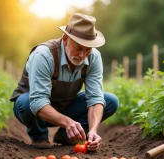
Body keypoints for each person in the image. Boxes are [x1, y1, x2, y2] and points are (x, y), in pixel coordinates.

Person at [10, 13, 119, 150]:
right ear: (66, 39)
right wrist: (68, 122)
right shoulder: (44, 55)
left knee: (109, 101)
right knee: (26, 102)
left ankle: (66, 136)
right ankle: (39, 136)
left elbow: (95, 98)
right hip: (34, 111)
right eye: (78, 48)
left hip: (66, 106)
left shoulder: (94, 57)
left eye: (88, 49)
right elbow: (38, 101)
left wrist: (93, 130)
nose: (82, 55)